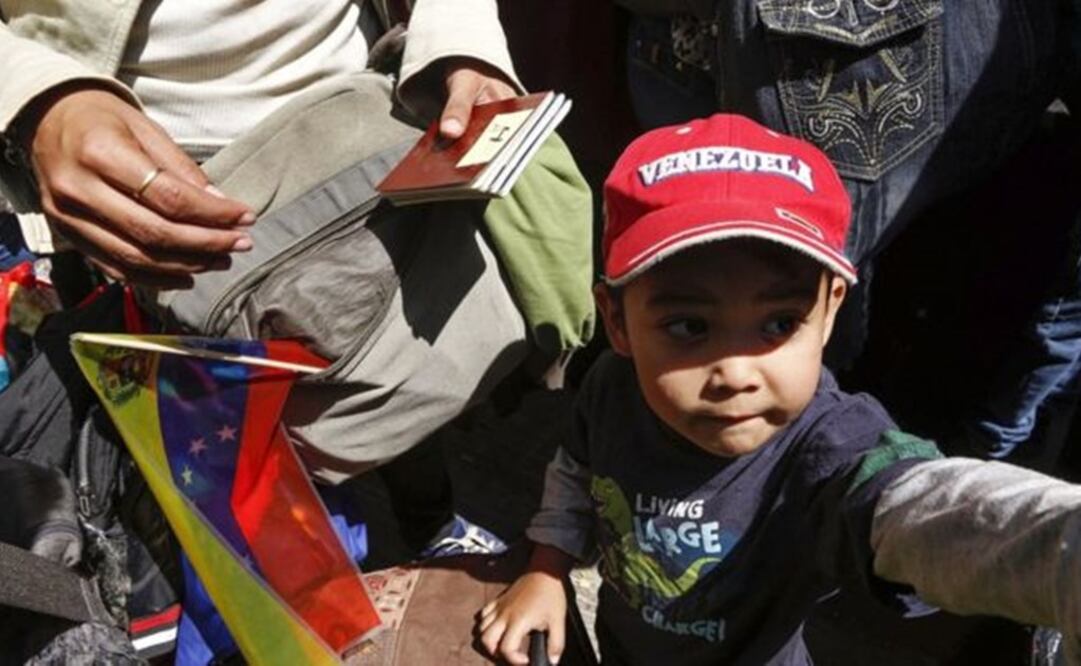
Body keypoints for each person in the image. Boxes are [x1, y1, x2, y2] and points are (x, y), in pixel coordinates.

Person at [477, 115, 1081, 665]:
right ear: (615, 321)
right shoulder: (611, 387)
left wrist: (1062, 554)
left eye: (778, 324)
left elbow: (918, 507)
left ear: (828, 312)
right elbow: (577, 472)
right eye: (689, 326)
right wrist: (547, 566)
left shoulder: (828, 443)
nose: (737, 372)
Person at [0, 0, 520, 288]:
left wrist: (459, 32)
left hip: (367, 118)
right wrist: (36, 94)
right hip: (121, 176)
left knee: (387, 360)